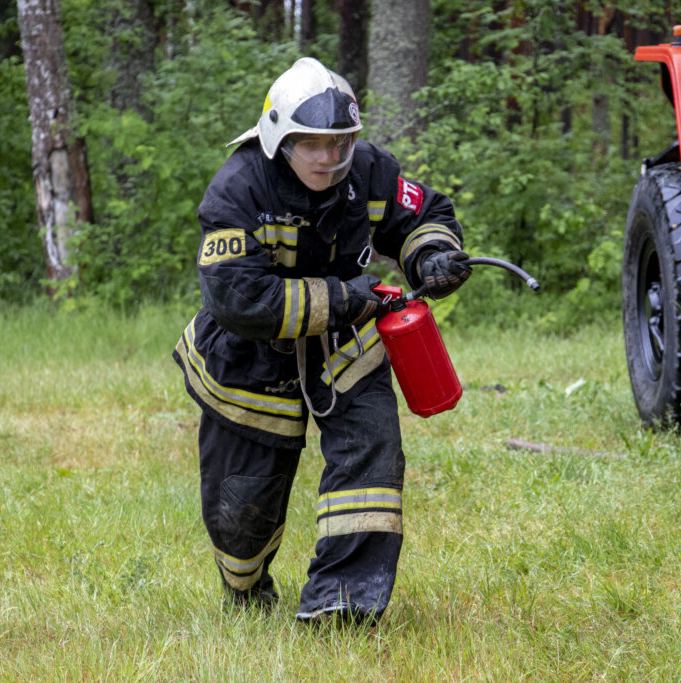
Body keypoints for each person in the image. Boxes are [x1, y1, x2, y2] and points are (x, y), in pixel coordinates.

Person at [172, 57, 471, 625]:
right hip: (251, 359)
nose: (331, 157)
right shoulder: (237, 187)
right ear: (279, 135)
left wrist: (431, 254)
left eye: (343, 142)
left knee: (371, 456)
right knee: (242, 511)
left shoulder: (370, 172)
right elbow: (237, 297)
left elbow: (422, 213)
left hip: (347, 346)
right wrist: (341, 298)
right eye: (314, 144)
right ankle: (246, 589)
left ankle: (344, 603)